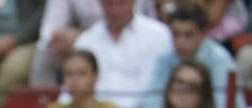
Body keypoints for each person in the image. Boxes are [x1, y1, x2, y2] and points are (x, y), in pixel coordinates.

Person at [137, 2, 240, 108]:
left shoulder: (220, 60)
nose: (181, 42)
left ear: (203, 34)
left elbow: (221, 107)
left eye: (188, 35)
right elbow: (153, 103)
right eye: (176, 34)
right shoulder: (164, 59)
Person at [72, 0, 172, 108]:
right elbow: (71, 86)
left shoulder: (159, 35)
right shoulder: (85, 41)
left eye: (121, 3)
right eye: (109, 4)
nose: (115, 10)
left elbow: (158, 89)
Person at [28, 0, 157, 86]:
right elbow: (48, 32)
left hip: (133, 36)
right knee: (45, 56)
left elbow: (147, 23)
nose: (114, 7)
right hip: (86, 41)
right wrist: (80, 38)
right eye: (109, 3)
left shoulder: (156, 33)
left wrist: (82, 36)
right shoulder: (86, 41)